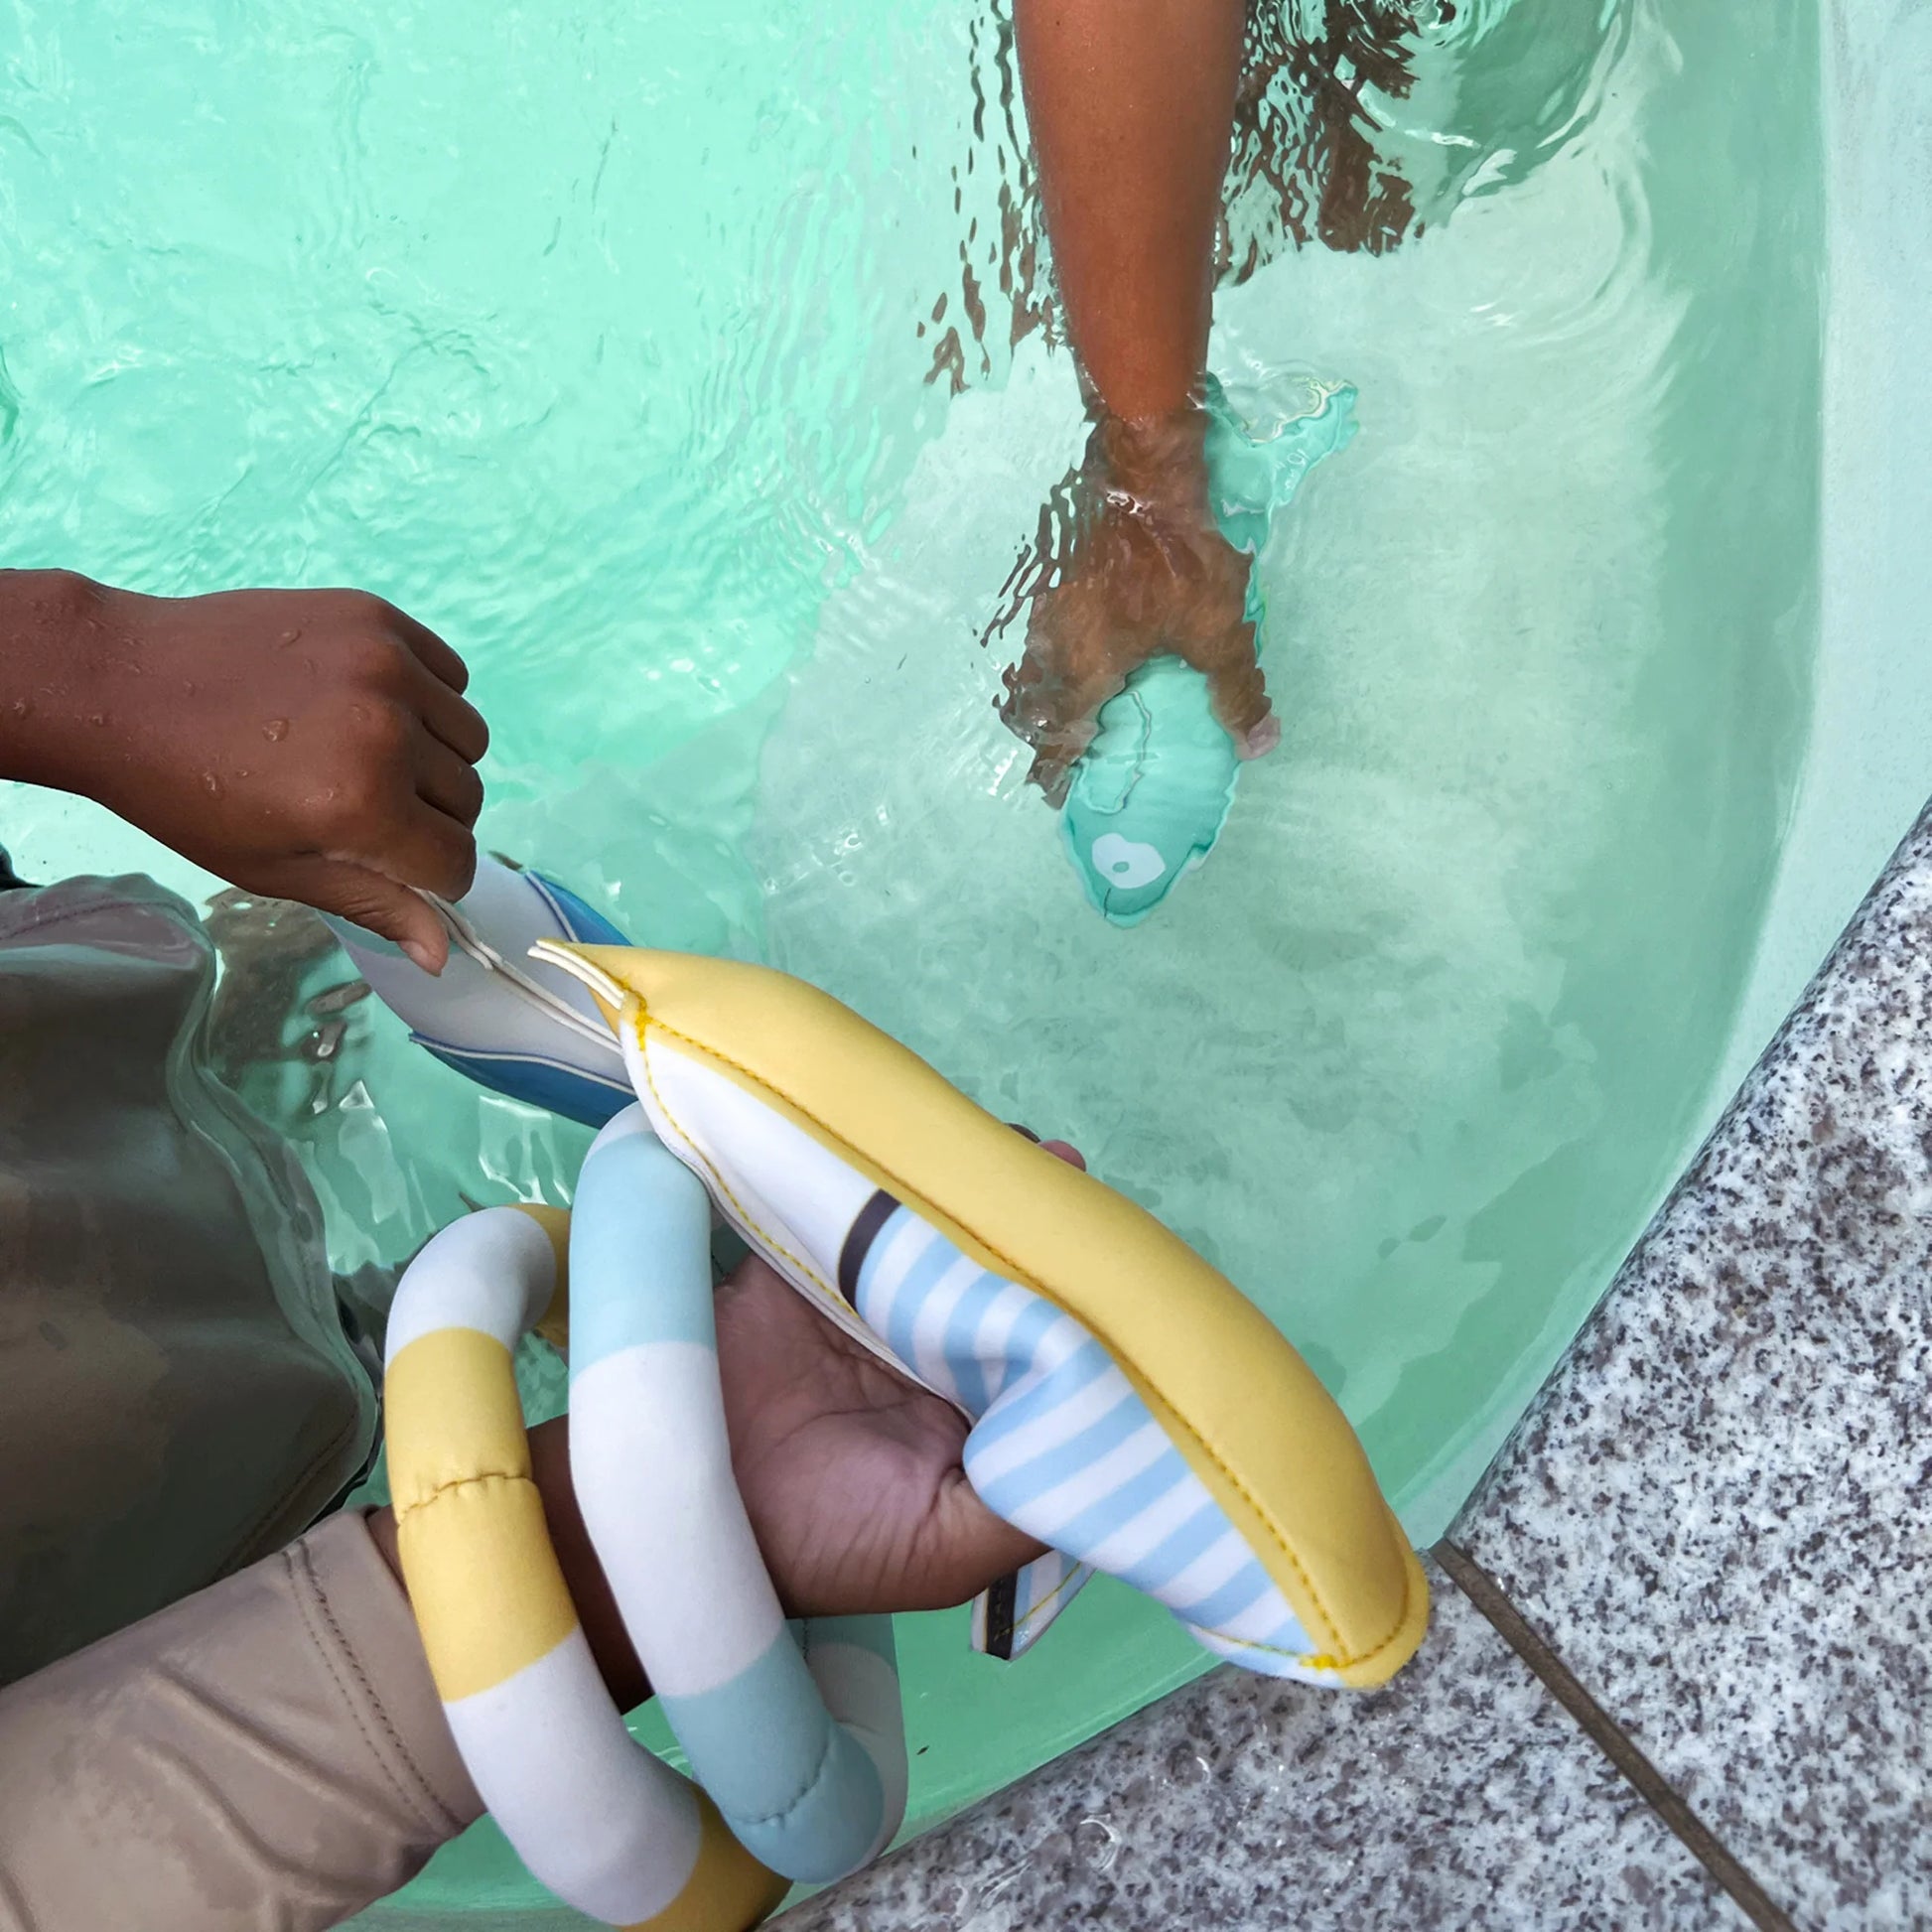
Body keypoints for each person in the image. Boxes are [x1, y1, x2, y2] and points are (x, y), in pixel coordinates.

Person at [0, 567, 1062, 1930]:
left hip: (58, 1074)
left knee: (135, 1075)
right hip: (177, 1541)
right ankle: (244, 1154)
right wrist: (636, 1526)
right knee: (280, 1394)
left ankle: (215, 1032)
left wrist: (75, 673)